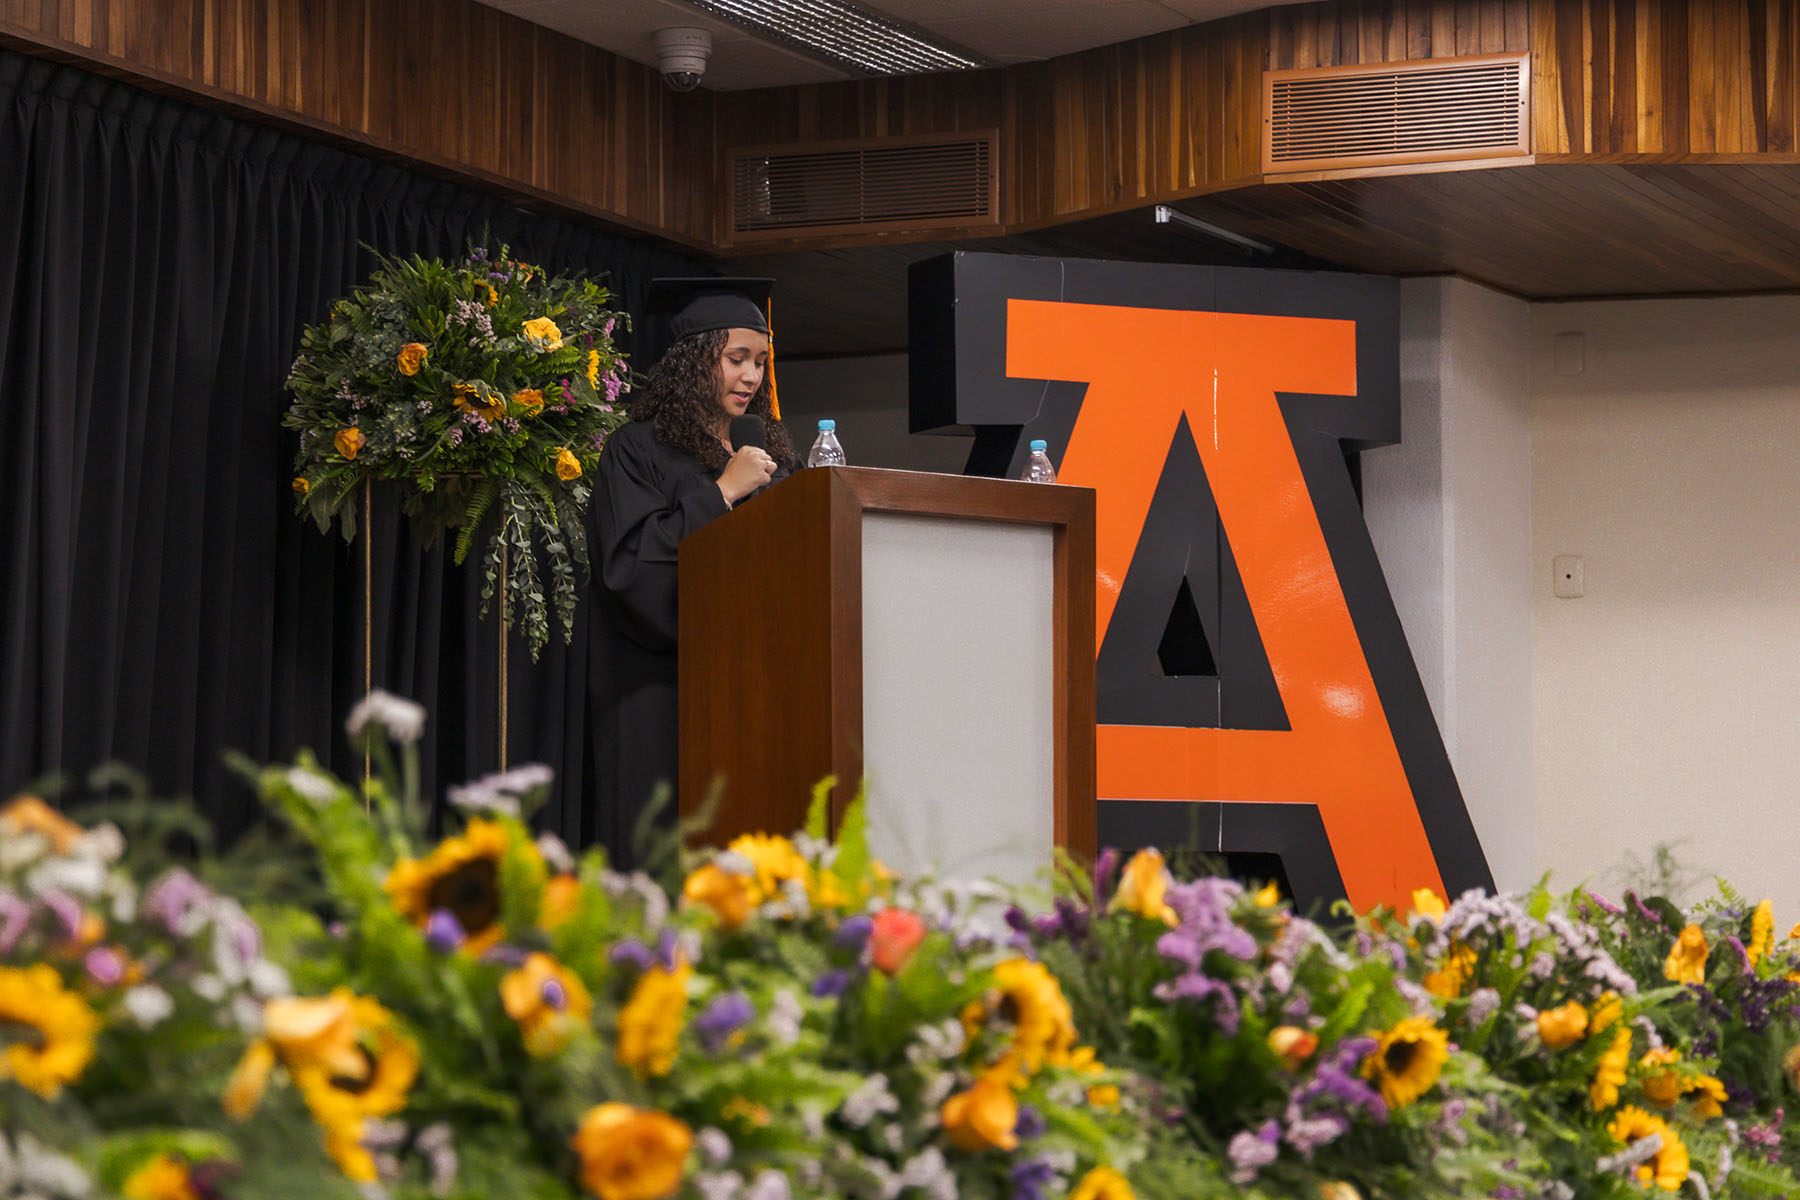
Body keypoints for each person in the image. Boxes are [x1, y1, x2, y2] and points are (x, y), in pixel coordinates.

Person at [585, 277, 798, 864]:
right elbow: (629, 571)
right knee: (660, 858)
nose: (751, 378)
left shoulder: (770, 456)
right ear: (693, 361)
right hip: (659, 693)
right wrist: (720, 494)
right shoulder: (636, 450)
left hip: (751, 691)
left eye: (760, 362)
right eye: (736, 360)